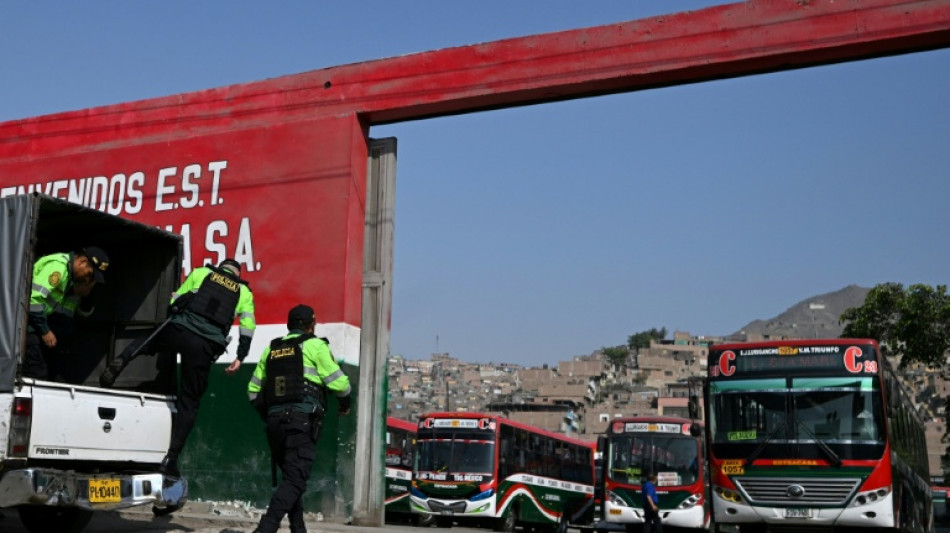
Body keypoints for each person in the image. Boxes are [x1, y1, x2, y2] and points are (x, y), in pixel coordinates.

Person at [98, 258, 256, 479]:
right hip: (204, 346)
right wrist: (240, 356)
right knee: (189, 403)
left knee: (146, 342)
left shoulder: (202, 273)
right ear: (237, 274)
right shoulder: (243, 292)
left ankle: (123, 360)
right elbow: (248, 327)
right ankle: (171, 458)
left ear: (220, 268)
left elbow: (176, 300)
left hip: (180, 329)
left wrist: (177, 311)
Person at [247, 304, 352, 533]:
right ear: (311, 326)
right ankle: (266, 528)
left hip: (275, 425)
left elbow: (253, 391)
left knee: (291, 479)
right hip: (301, 423)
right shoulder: (315, 346)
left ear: (289, 326)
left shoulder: (272, 349)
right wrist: (345, 405)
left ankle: (298, 529)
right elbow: (341, 384)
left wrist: (270, 415)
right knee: (295, 480)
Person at [24, 247, 109, 380]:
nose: (88, 280)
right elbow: (33, 299)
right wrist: (45, 330)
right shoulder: (58, 267)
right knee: (37, 375)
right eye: (90, 275)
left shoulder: (70, 278)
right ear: (82, 262)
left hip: (36, 328)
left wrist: (85, 294)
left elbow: (82, 313)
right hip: (27, 327)